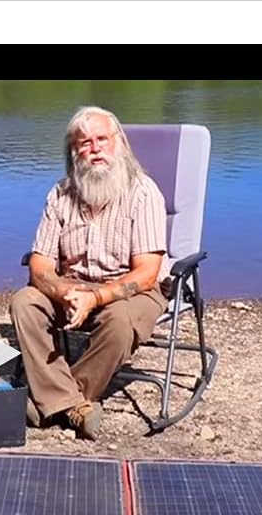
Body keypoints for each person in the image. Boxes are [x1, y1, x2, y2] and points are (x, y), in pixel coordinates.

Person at [10, 106, 170, 440]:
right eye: (85, 143)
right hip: (72, 285)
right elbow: (40, 264)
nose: (95, 149)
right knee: (25, 302)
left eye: (102, 139)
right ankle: (74, 407)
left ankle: (50, 403)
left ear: (119, 143)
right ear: (74, 152)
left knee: (120, 320)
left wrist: (96, 298)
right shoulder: (60, 195)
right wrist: (62, 291)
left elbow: (147, 272)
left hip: (131, 289)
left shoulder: (143, 193)